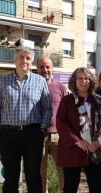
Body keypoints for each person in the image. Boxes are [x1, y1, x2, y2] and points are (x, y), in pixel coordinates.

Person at [0, 39, 52, 192]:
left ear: (31, 61)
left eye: (28, 57)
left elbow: (47, 108)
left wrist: (42, 129)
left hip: (32, 134)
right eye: (21, 57)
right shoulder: (3, 82)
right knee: (11, 176)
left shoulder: (40, 81)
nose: (24, 60)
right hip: (8, 135)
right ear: (15, 59)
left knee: (33, 176)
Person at [56, 67, 101, 193]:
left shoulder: (98, 101)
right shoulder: (67, 100)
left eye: (87, 78)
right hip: (73, 149)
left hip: (94, 149)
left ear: (91, 81)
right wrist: (78, 141)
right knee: (70, 186)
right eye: (80, 78)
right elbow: (61, 124)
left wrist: (98, 142)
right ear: (74, 81)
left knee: (96, 187)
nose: (84, 81)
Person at [37, 56, 67, 193]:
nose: (45, 70)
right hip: (38, 136)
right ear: (37, 68)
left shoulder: (60, 86)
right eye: (42, 67)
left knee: (63, 171)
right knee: (40, 172)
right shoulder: (32, 85)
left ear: (52, 68)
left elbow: (68, 110)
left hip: (57, 136)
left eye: (47, 66)